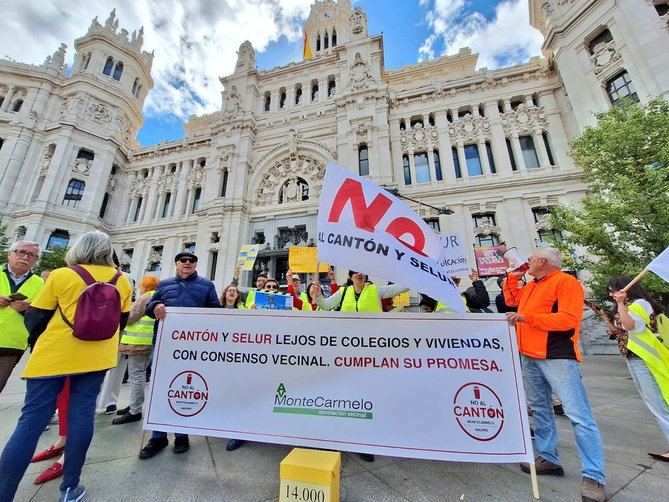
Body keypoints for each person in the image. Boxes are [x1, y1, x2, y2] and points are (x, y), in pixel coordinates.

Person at [0, 230, 133, 502]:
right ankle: (70, 488)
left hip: (53, 357)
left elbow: (35, 318)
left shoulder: (62, 275)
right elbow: (119, 323)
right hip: (96, 359)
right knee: (82, 419)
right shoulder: (122, 281)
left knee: (31, 423)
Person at [503, 247, 606, 502]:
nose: (526, 261)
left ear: (542, 261)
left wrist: (526, 318)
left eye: (530, 259)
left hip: (556, 355)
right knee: (540, 408)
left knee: (578, 415)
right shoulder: (532, 285)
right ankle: (548, 458)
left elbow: (568, 319)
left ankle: (594, 476)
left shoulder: (566, 282)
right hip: (529, 354)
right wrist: (513, 277)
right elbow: (511, 301)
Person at [312, 270, 408, 462]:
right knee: (347, 394)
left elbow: (404, 286)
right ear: (350, 276)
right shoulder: (343, 292)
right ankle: (342, 436)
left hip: (372, 352)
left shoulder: (376, 291)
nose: (359, 274)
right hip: (347, 352)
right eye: (355, 272)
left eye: (362, 271)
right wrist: (317, 295)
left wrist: (417, 271)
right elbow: (325, 305)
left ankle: (364, 441)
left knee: (367, 395)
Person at [139, 251, 220, 460]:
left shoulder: (206, 285)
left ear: (196, 265)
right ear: (176, 264)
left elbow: (216, 312)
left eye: (192, 261)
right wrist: (156, 305)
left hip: (191, 347)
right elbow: (149, 307)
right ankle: (157, 436)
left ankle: (181, 434)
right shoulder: (164, 285)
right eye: (183, 260)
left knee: (185, 387)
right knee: (159, 387)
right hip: (164, 344)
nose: (187, 263)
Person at [604, 277, 669, 462]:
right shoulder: (629, 304)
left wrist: (621, 303)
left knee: (658, 402)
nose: (611, 294)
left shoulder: (640, 303)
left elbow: (631, 326)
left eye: (612, 290)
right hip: (634, 357)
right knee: (654, 402)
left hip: (644, 358)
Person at [112, 275, 160, 425]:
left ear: (144, 286)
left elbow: (131, 318)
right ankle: (134, 405)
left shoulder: (145, 298)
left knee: (136, 375)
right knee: (139, 374)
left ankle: (135, 410)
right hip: (148, 342)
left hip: (138, 342)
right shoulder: (158, 296)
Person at [0, 240, 44, 393]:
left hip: (12, 344)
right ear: (9, 254)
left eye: (32, 255)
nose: (25, 257)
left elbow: (43, 315)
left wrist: (28, 309)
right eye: (21, 252)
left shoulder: (40, 283)